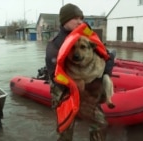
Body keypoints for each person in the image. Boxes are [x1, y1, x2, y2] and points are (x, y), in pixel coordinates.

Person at [45, 3, 115, 141]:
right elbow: (55, 76)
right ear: (65, 20)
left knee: (100, 124)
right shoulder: (55, 45)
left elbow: (105, 54)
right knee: (66, 131)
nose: (80, 22)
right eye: (75, 18)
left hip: (88, 88)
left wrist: (104, 75)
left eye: (81, 18)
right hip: (64, 90)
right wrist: (74, 83)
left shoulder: (86, 32)